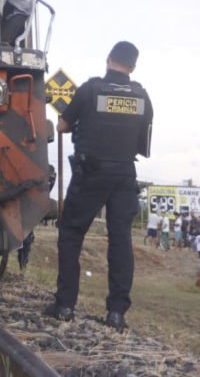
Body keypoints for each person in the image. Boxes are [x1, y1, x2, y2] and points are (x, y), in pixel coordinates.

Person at [44, 41, 154, 332]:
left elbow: (62, 127)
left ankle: (65, 305)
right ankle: (116, 313)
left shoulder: (90, 90)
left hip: (90, 174)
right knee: (120, 241)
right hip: (124, 176)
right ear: (132, 67)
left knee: (70, 233)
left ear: (108, 59)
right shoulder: (142, 97)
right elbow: (143, 143)